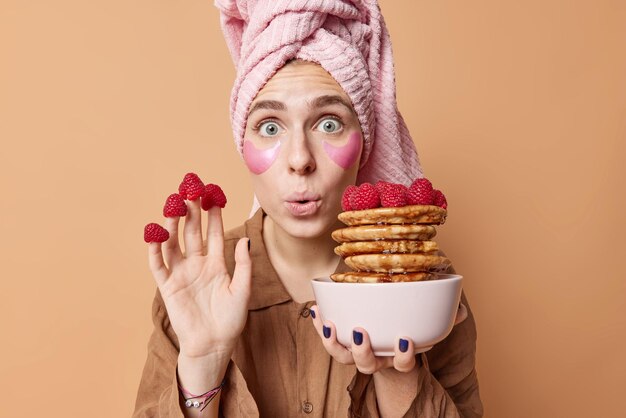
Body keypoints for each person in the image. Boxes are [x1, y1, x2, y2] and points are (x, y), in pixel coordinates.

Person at [133, 1, 483, 417]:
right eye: (269, 126)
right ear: (242, 143)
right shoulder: (196, 286)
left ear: (366, 142)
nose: (300, 159)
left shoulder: (425, 291)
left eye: (329, 123)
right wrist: (203, 366)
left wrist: (397, 375)